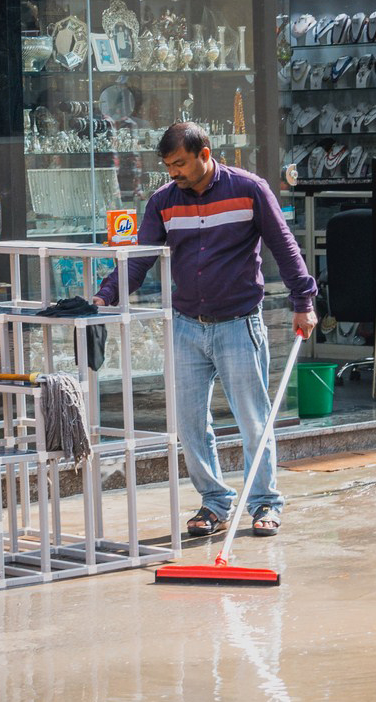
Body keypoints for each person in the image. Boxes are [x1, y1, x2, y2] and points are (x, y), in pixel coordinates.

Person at [93, 122, 317, 538]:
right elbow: (140, 259)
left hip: (238, 323)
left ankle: (265, 502)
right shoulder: (163, 201)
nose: (173, 172)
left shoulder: (248, 189)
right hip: (185, 328)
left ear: (205, 153)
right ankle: (214, 502)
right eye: (168, 166)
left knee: (253, 421)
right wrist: (106, 295)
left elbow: (285, 247)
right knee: (189, 423)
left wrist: (304, 301)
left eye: (180, 163)